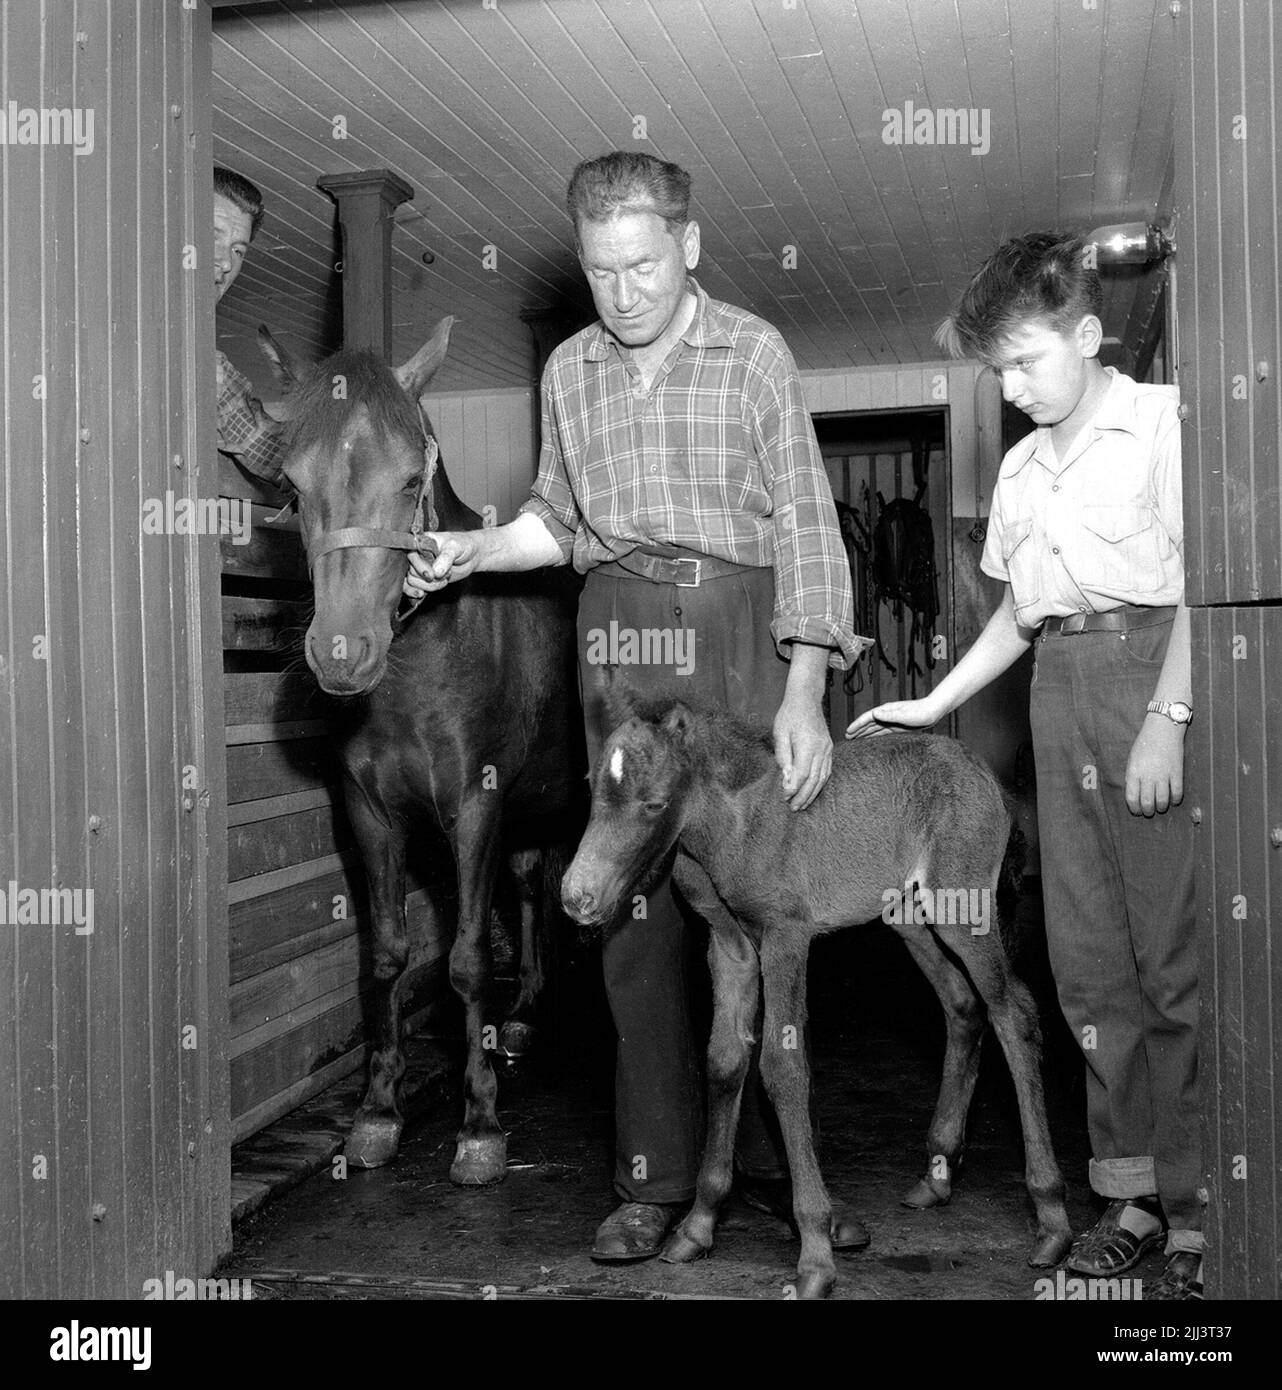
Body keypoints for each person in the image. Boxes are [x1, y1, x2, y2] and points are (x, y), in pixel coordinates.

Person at [403, 151, 870, 1260]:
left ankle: (776, 1167)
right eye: (603, 271)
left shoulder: (755, 353)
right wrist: (472, 550)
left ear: (689, 246)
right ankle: (653, 1176)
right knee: (630, 912)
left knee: (768, 907)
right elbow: (558, 523)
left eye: (644, 265)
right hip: (616, 630)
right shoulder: (568, 369)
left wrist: (806, 685)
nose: (625, 292)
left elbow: (808, 523)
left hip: (741, 624)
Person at [849, 231, 1202, 1300]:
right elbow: (1016, 613)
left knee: (1170, 958)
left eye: (1025, 362)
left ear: (1088, 337)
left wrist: (1169, 715)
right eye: (995, 370)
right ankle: (1129, 1195)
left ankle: (1198, 1208)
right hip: (1056, 687)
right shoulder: (1014, 467)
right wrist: (934, 699)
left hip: (1146, 669)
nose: (1009, 386)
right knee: (1086, 960)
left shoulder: (1161, 423)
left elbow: (1198, 582)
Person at [213, 166, 287, 488]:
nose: (226, 262)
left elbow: (264, 446)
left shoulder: (205, 363)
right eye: (211, 237)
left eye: (238, 249)